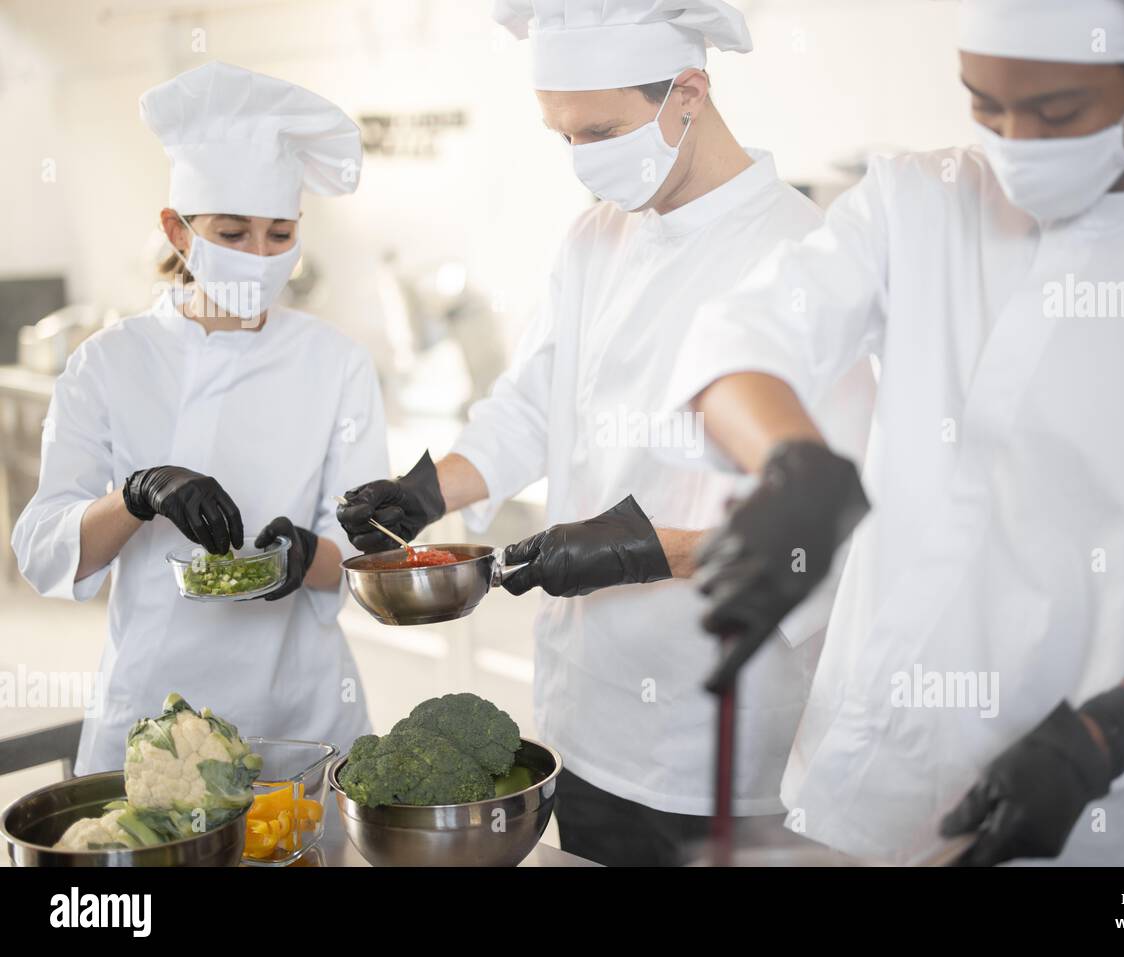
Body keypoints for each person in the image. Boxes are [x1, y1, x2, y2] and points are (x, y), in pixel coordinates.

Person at [663, 0, 1124, 866]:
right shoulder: (918, 198)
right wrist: (794, 462)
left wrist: (1107, 737)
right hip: (882, 792)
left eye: (1055, 113)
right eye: (983, 104)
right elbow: (748, 331)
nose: (1013, 140)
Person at [336, 0, 869, 866]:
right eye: (564, 137)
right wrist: (430, 490)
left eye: (602, 131)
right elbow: (532, 402)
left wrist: (647, 549)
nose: (584, 164)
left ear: (688, 92)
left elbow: (836, 535)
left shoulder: (804, 258)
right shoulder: (595, 240)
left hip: (716, 743)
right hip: (584, 717)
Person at [12, 61, 390, 773]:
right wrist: (134, 495)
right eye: (233, 232)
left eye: (280, 235)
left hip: (300, 712)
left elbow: (369, 552)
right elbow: (40, 549)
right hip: (156, 713)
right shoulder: (109, 362)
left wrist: (307, 556)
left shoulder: (337, 363)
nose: (259, 256)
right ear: (179, 232)